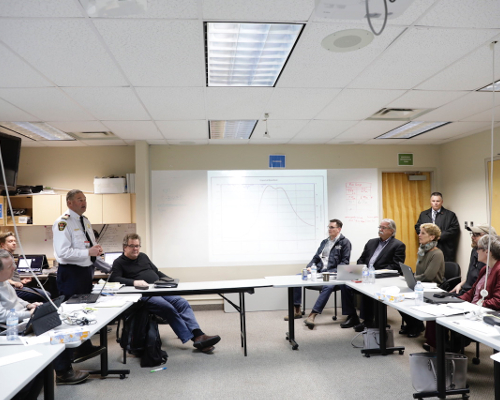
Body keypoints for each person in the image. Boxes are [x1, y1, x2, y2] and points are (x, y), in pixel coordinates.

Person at [111, 233, 221, 353]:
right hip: (144, 294)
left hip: (159, 288)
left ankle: (198, 334)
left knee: (182, 302)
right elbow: (114, 279)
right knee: (167, 307)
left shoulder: (143, 256)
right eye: (132, 246)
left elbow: (156, 272)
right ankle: (196, 339)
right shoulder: (119, 262)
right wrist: (134, 282)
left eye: (137, 246)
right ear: (125, 247)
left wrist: (170, 280)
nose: (135, 249)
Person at [0, 249, 89, 389]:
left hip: (21, 318)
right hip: (9, 327)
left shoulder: (4, 281)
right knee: (50, 334)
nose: (14, 268)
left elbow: (16, 299)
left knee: (56, 325)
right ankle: (63, 373)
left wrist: (29, 305)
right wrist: (29, 314)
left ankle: (65, 368)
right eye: (10, 266)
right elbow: (3, 315)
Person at [53, 189, 105, 363]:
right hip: (71, 273)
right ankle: (66, 361)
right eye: (79, 200)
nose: (84, 202)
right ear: (69, 203)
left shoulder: (85, 220)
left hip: (85, 271)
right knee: (71, 313)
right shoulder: (63, 223)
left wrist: (96, 249)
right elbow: (63, 252)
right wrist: (87, 252)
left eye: (84, 199)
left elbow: (89, 244)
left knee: (82, 311)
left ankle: (83, 347)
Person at [425, 234, 500, 351]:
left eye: (478, 248)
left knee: (447, 319)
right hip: (473, 307)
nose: (476, 251)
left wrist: (473, 307)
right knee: (436, 313)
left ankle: (444, 350)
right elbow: (472, 291)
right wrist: (457, 301)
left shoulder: (498, 270)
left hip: (483, 312)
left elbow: (497, 301)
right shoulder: (485, 269)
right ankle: (439, 348)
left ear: (487, 252)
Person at [340, 219, 406, 331]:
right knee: (344, 284)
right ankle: (352, 316)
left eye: (383, 228)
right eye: (380, 227)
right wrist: (362, 269)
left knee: (367, 288)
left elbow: (396, 266)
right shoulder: (371, 242)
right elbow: (361, 259)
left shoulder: (398, 245)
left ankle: (368, 321)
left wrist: (374, 272)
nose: (380, 230)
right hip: (365, 274)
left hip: (381, 277)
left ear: (391, 231)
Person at [285, 219, 351, 329]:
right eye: (329, 227)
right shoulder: (324, 242)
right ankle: (297, 310)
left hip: (332, 274)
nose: (329, 229)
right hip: (319, 271)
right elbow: (316, 258)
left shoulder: (345, 242)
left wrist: (332, 271)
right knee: (297, 277)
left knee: (328, 286)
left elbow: (345, 262)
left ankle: (312, 315)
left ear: (339, 229)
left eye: (332, 227)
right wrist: (309, 266)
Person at [400, 223, 445, 337]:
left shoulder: (437, 253)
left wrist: (411, 278)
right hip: (420, 284)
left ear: (432, 237)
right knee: (398, 299)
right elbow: (420, 273)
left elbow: (428, 276)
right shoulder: (422, 251)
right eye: (420, 232)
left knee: (405, 300)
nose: (419, 235)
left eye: (423, 233)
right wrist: (410, 277)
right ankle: (413, 324)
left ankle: (416, 326)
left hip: (432, 287)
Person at [0, 231, 50, 303]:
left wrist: (20, 281)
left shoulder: (9, 255)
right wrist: (13, 283)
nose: (14, 243)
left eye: (14, 241)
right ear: (2, 244)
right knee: (46, 295)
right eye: (10, 241)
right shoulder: (3, 256)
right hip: (11, 289)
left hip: (15, 287)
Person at [451, 224, 497, 295]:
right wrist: (461, 284)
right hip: (466, 290)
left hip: (476, 293)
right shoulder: (475, 251)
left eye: (476, 235)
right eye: (472, 234)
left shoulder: (491, 256)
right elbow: (472, 274)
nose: (472, 237)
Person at [415, 192, 460, 262]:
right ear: (430, 202)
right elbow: (418, 227)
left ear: (442, 202)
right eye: (433, 201)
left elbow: (454, 229)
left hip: (444, 248)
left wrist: (438, 236)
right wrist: (427, 236)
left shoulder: (450, 215)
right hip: (426, 248)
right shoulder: (424, 214)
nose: (435, 203)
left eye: (437, 201)